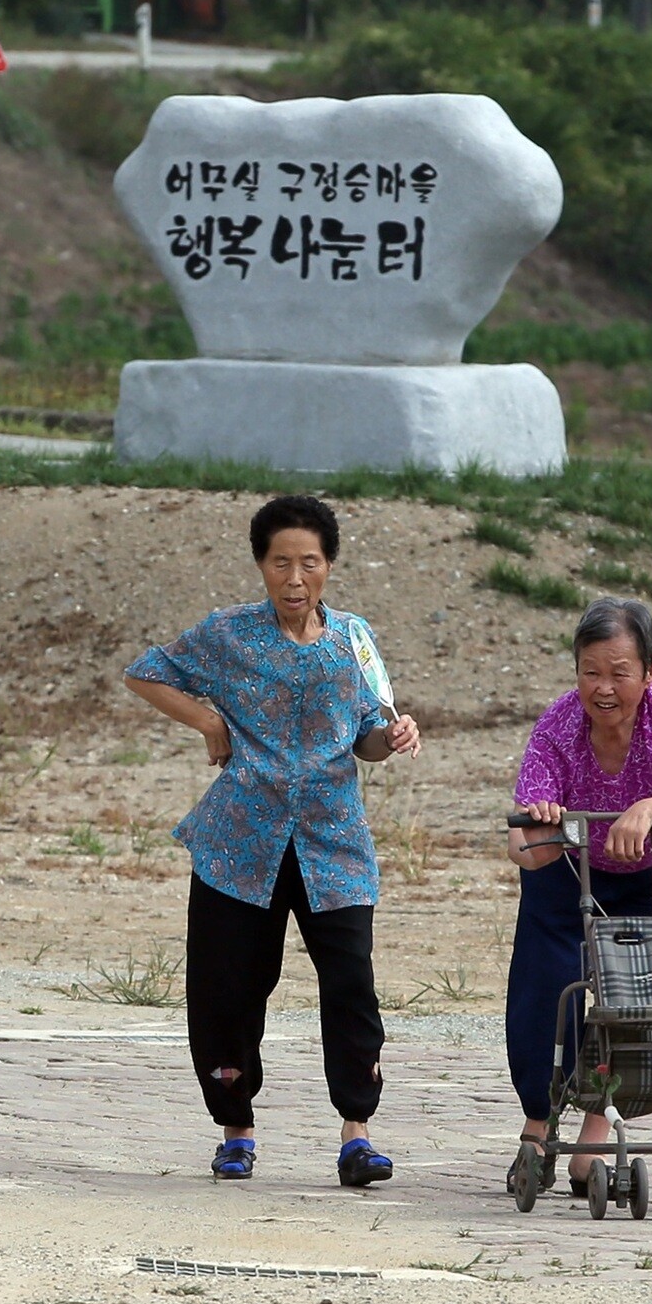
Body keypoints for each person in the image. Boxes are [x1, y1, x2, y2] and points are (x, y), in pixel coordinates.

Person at [124, 494, 421, 1186]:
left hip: (334, 844)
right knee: (229, 989)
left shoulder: (354, 638)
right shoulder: (227, 634)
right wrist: (206, 720)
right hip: (239, 844)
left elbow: (368, 739)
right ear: (261, 564)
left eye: (308, 563)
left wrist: (392, 735)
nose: (294, 578)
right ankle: (237, 1131)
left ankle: (357, 1133)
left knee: (351, 983)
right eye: (280, 562)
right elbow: (144, 672)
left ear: (329, 566)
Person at [505, 596, 652, 1194]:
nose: (602, 688)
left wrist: (650, 807)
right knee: (546, 990)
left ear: (649, 671)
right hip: (572, 875)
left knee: (635, 994)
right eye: (589, 672)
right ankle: (537, 1128)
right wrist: (544, 828)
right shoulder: (557, 724)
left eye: (619, 673)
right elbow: (524, 848)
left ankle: (594, 1135)